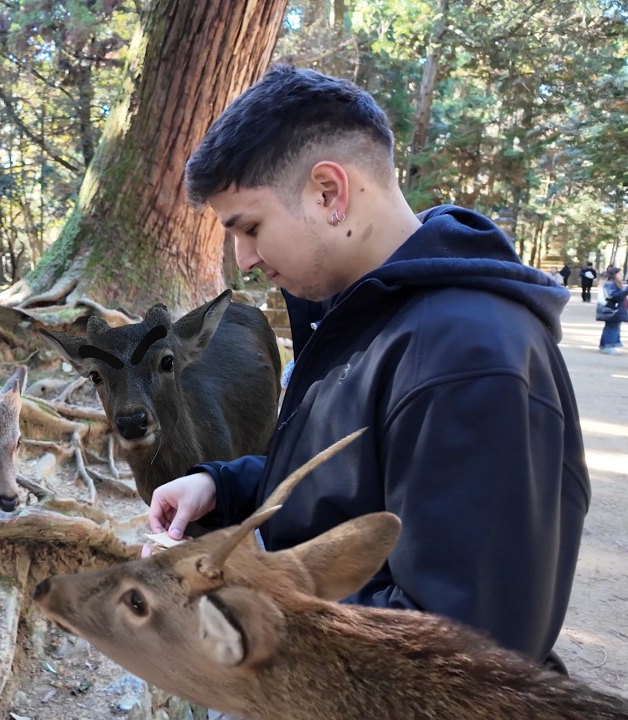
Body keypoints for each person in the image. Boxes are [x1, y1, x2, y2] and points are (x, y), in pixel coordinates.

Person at [149, 65, 589, 703]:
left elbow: (465, 643)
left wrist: (230, 606)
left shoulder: (469, 355)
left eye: (249, 228)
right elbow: (353, 478)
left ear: (329, 191)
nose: (243, 261)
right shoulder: (352, 315)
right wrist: (224, 486)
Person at [599, 266, 626, 355]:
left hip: (614, 309)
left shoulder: (613, 283)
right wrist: (625, 290)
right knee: (612, 328)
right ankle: (608, 346)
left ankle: (604, 345)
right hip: (612, 309)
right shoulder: (610, 284)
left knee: (612, 327)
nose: (622, 275)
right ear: (615, 274)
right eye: (620, 273)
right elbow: (613, 295)